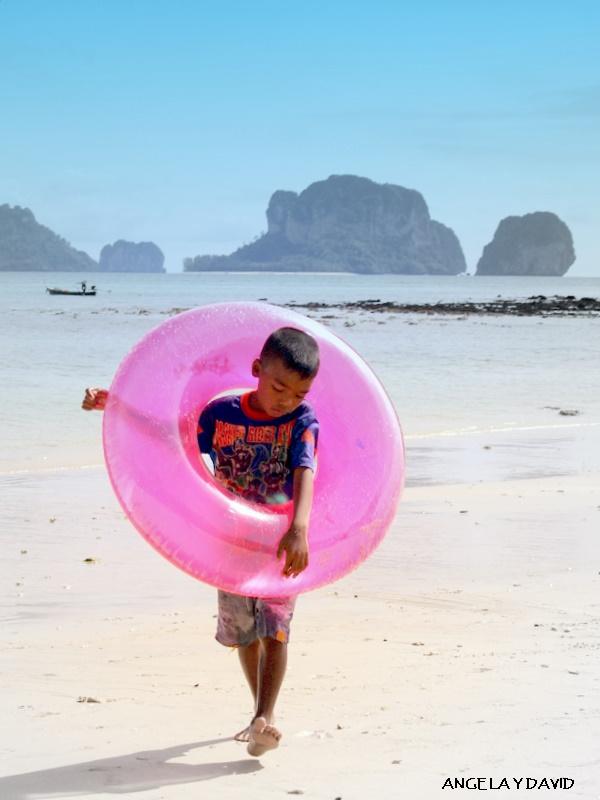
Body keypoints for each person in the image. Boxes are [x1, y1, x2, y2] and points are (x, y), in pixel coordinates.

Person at [82, 326, 320, 757]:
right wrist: (116, 407)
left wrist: (299, 527)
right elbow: (169, 435)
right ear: (255, 371)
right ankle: (256, 711)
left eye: (299, 393)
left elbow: (306, 470)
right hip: (229, 538)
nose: (286, 400)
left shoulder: (302, 421)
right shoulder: (221, 414)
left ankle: (265, 717)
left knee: (276, 629)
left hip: (280, 541)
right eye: (278, 387)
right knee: (245, 634)